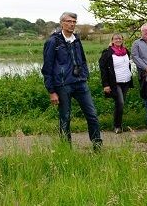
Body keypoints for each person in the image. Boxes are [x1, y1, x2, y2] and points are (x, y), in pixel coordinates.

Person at [42, 12, 102, 150]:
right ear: (62, 23)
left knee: (92, 115)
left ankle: (97, 147)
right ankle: (66, 149)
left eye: (74, 21)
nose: (72, 24)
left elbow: (82, 59)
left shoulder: (76, 39)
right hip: (63, 85)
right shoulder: (53, 42)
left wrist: (85, 74)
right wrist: (51, 91)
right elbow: (47, 67)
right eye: (68, 21)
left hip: (80, 82)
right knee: (65, 118)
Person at [98, 33, 134, 134]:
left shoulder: (126, 51)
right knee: (120, 103)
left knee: (120, 104)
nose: (118, 40)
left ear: (122, 40)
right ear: (112, 40)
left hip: (126, 81)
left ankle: (119, 124)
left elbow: (128, 65)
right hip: (115, 83)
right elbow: (103, 69)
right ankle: (117, 126)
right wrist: (105, 85)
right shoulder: (107, 53)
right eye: (116, 39)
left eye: (120, 38)